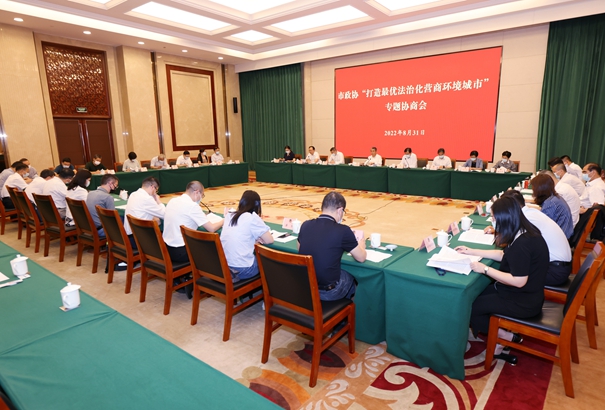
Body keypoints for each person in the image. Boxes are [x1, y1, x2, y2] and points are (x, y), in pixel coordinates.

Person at [456, 196, 549, 363]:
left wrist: (485, 269)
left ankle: (505, 336)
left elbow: (519, 281)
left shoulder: (523, 244)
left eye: (494, 218)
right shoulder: (524, 231)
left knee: (470, 306)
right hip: (524, 293)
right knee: (474, 294)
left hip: (523, 301)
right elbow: (503, 254)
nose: (492, 221)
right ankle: (500, 332)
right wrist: (472, 251)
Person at [297, 192, 366, 300]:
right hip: (328, 292)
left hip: (306, 287)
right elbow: (361, 258)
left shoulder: (305, 225)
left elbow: (300, 249)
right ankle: (344, 305)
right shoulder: (343, 230)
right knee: (350, 274)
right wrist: (362, 246)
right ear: (340, 210)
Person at [500, 190, 572, 286]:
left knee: (511, 270)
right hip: (559, 266)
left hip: (554, 271)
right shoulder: (531, 212)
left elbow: (506, 242)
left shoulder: (527, 218)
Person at [163, 181, 223, 264]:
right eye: (202, 195)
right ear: (197, 192)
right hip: (181, 251)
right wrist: (224, 220)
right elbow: (212, 229)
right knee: (213, 248)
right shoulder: (192, 206)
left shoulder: (172, 200)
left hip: (166, 248)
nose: (201, 198)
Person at [220, 190, 273, 282]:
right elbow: (269, 240)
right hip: (243, 270)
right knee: (267, 262)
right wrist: (257, 240)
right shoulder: (252, 217)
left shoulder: (229, 216)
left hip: (223, 267)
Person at [123, 177, 166, 243]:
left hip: (130, 235)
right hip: (141, 239)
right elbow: (164, 214)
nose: (155, 193)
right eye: (156, 190)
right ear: (152, 187)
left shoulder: (133, 194)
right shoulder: (147, 198)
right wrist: (158, 200)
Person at [86, 174, 119, 238]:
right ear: (110, 183)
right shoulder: (108, 197)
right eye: (116, 185)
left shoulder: (90, 193)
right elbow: (112, 219)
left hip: (89, 227)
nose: (116, 187)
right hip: (101, 230)